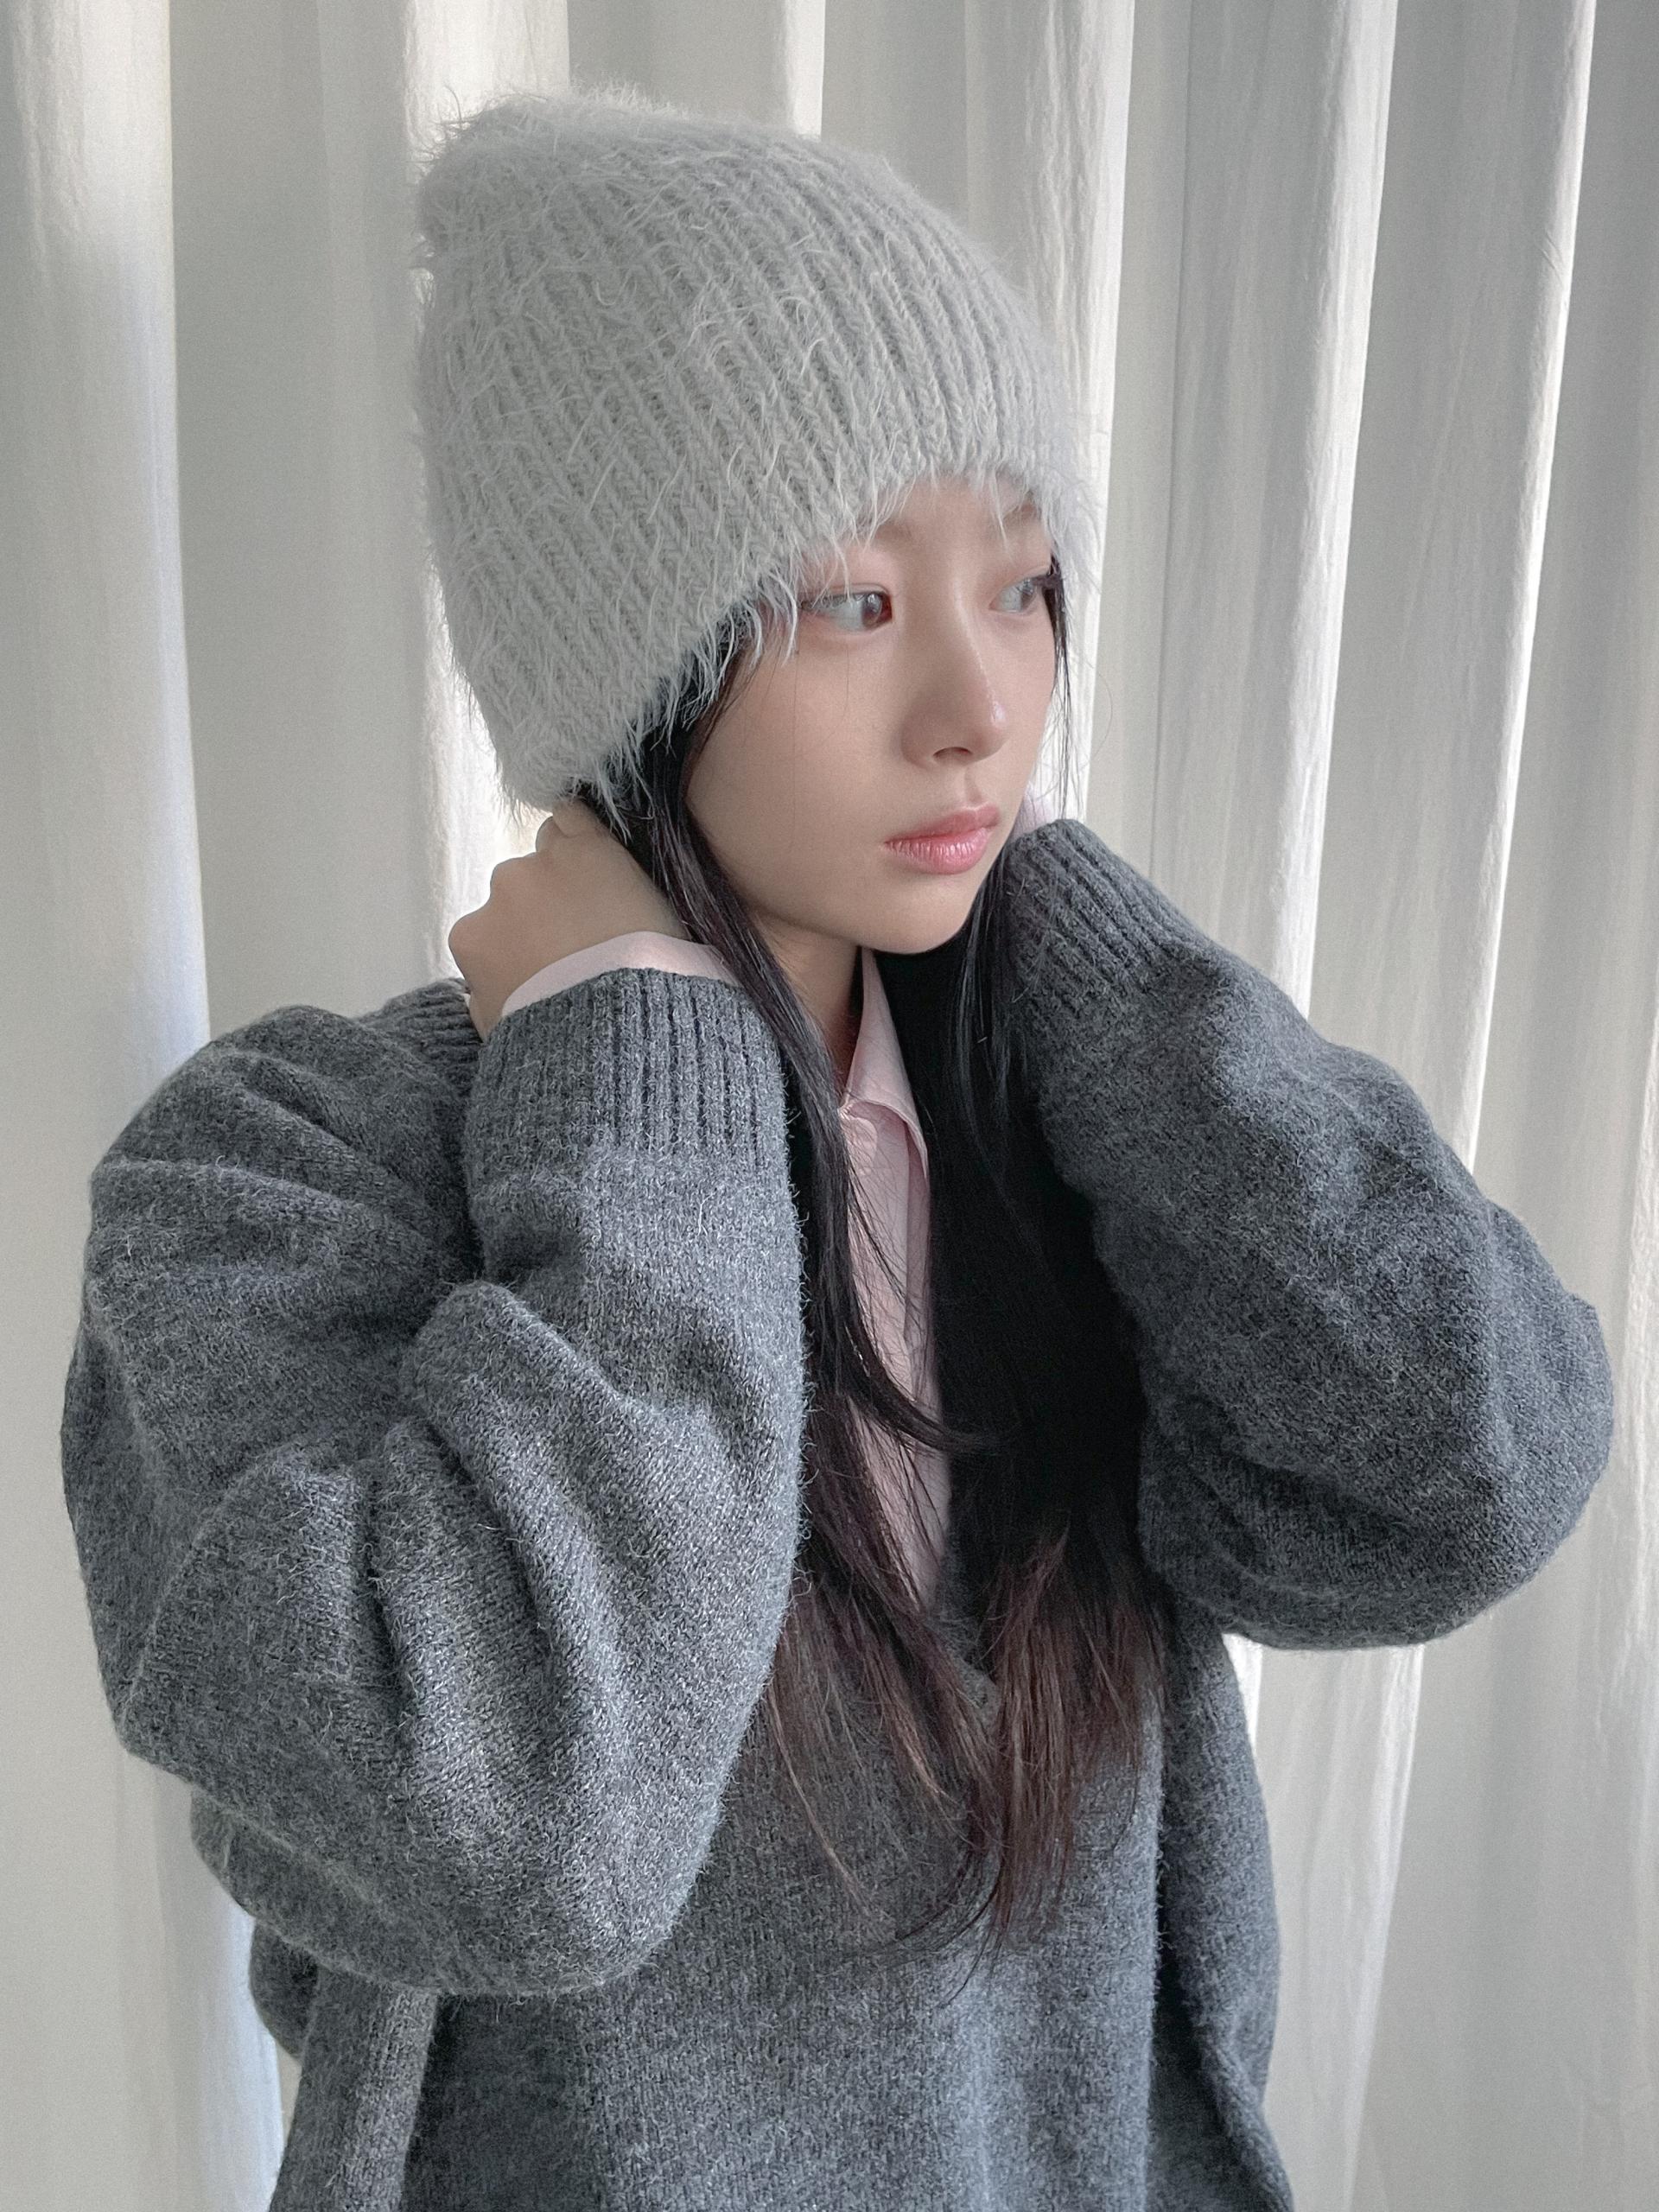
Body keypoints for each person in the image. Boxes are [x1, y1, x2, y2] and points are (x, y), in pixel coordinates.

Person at [58, 84, 1617, 2212]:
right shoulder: (270, 1179)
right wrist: (638, 1067)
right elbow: (520, 1831)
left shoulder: (1071, 1133)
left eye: (1027, 579)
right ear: (625, 654)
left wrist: (1082, 950)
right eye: (853, 600)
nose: (983, 703)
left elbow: (1472, 1470)